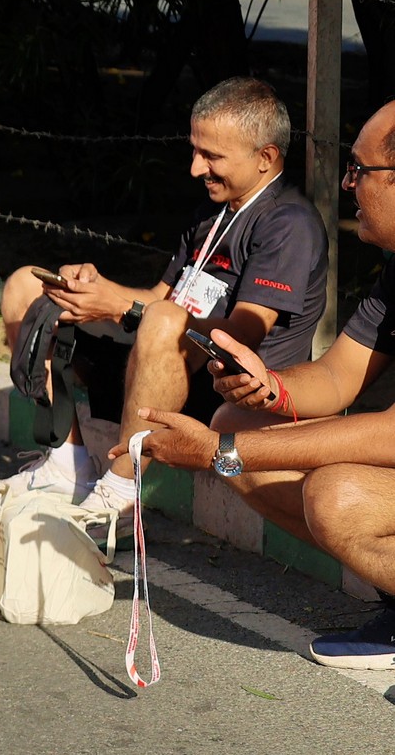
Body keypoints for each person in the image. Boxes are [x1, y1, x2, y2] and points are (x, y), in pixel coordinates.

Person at [130, 97, 395, 666]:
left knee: (337, 497)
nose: (347, 183)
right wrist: (272, 387)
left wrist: (219, 452)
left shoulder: (286, 222)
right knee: (238, 419)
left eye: (360, 169)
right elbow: (339, 374)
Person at [0, 76, 327, 518]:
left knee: (164, 319)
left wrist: (120, 307)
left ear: (265, 158)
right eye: (195, 150)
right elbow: (158, 297)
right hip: (159, 369)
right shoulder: (213, 212)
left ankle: (118, 496)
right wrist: (97, 290)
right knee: (28, 285)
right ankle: (66, 464)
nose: (195, 168)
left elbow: (242, 334)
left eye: (211, 156)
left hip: (227, 396)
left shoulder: (289, 224)